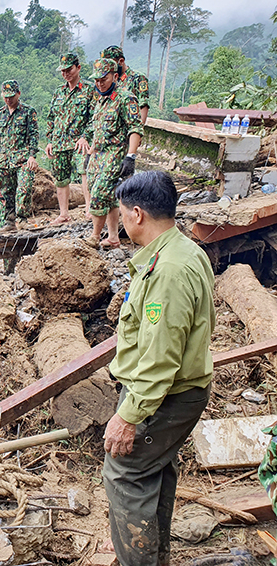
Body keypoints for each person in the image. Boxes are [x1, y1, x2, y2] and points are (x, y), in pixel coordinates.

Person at [103, 171, 215, 566]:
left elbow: (161, 357)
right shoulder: (183, 251)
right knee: (155, 470)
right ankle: (155, 556)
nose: (120, 222)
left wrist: (129, 416)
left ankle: (140, 560)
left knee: (124, 475)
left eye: (120, 213)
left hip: (165, 395)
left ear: (137, 214)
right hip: (173, 390)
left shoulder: (168, 270)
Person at [76, 58, 143, 249]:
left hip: (115, 155)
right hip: (98, 155)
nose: (99, 83)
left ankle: (94, 236)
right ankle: (113, 237)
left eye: (103, 80)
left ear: (114, 76)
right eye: (96, 80)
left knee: (98, 195)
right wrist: (89, 148)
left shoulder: (125, 98)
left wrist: (131, 156)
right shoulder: (101, 99)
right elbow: (94, 127)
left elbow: (135, 128)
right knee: (110, 197)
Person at [45, 53, 93, 225]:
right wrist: (50, 140)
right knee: (61, 178)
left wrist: (85, 136)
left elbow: (95, 116)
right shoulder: (59, 92)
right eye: (63, 71)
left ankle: (89, 209)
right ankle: (64, 214)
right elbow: (51, 117)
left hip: (80, 141)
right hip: (59, 142)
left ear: (78, 68)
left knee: (85, 172)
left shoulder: (89, 90)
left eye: (69, 70)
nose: (66, 74)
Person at [0, 80, 40, 226]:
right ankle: (9, 222)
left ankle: (22, 220)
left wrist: (32, 155)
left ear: (18, 94)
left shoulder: (28, 111)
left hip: (23, 159)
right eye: (5, 96)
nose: (8, 100)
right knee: (6, 193)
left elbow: (34, 135)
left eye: (11, 96)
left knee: (24, 188)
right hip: (4, 161)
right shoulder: (0, 114)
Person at [101, 45, 150, 125]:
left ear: (121, 61)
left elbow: (143, 105)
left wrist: (138, 131)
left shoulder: (138, 78)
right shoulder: (110, 78)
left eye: (111, 64)